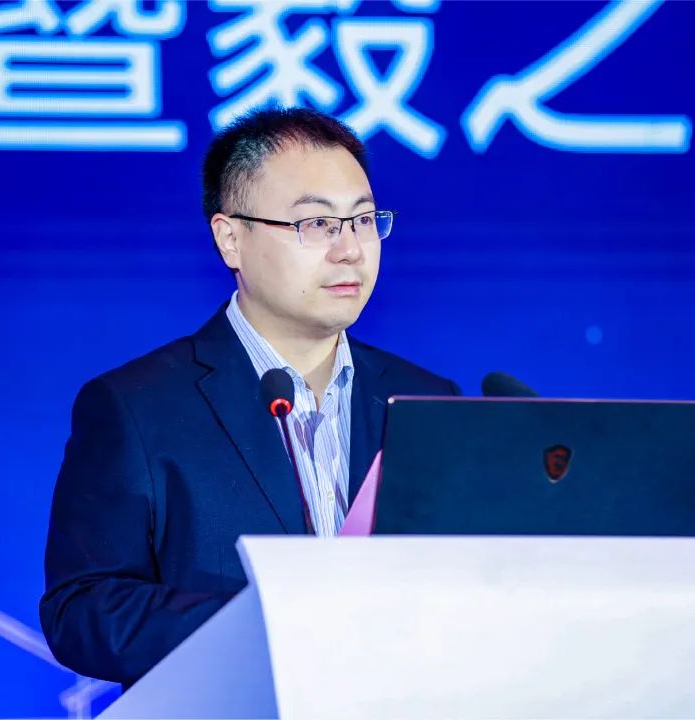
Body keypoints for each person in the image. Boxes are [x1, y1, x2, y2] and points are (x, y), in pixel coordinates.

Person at [39, 106, 460, 687]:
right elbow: (82, 608)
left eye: (364, 220)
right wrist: (272, 624)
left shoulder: (425, 401)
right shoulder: (136, 407)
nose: (350, 250)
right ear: (231, 239)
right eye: (316, 224)